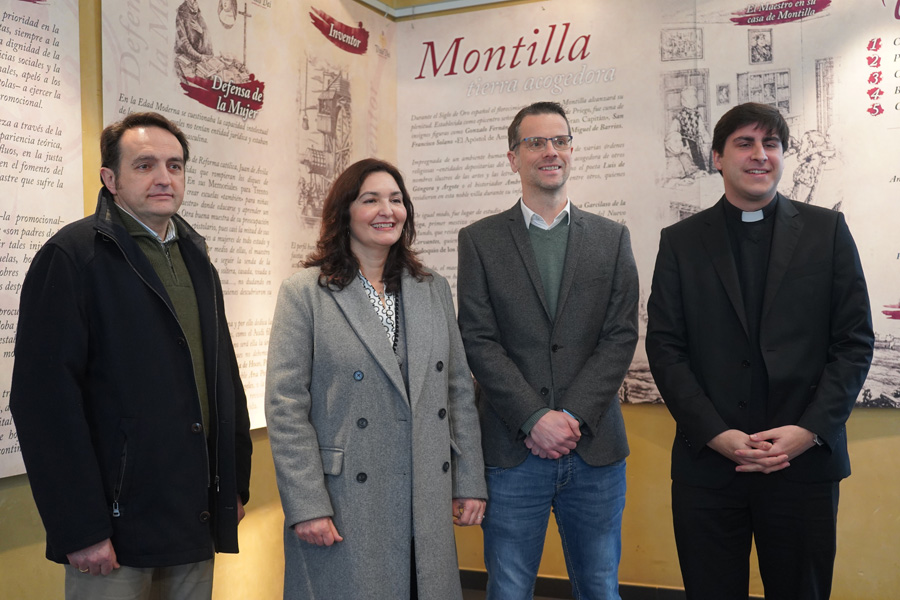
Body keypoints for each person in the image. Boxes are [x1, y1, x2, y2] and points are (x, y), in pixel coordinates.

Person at [10, 111, 252, 599]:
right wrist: (80, 528)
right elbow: (43, 403)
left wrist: (233, 485)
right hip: (115, 528)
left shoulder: (196, 258)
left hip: (193, 514)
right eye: (144, 165)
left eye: (175, 165)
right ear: (110, 178)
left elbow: (223, 377)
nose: (164, 178)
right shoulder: (74, 256)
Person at [645, 102, 874, 599]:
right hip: (709, 465)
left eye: (771, 144)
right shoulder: (681, 242)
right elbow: (665, 347)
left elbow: (854, 343)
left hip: (803, 465)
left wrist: (809, 431)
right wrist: (715, 434)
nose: (759, 155)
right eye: (744, 143)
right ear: (717, 157)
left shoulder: (827, 231)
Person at [265, 158, 486, 600]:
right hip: (345, 500)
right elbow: (285, 407)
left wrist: (469, 480)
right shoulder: (305, 293)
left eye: (396, 199)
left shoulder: (432, 288)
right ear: (344, 212)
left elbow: (458, 390)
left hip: (424, 492)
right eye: (371, 200)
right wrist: (307, 504)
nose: (387, 210)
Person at [457, 101, 639, 600]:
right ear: (513, 157)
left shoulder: (612, 238)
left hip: (595, 449)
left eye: (560, 140)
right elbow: (478, 339)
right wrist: (534, 417)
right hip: (513, 450)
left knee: (599, 588)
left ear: (572, 151)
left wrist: (571, 415)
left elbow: (620, 336)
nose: (550, 151)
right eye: (535, 142)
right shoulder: (479, 241)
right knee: (509, 589)